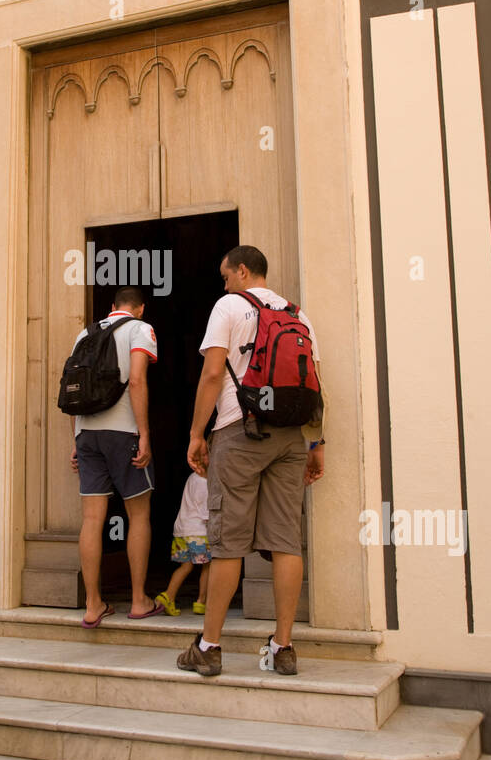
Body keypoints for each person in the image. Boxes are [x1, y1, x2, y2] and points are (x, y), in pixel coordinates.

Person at [177, 246, 324, 678]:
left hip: (239, 431)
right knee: (285, 541)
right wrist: (317, 445)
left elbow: (211, 374)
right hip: (290, 437)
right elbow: (316, 383)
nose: (223, 284)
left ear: (242, 271)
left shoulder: (228, 305)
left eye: (226, 276)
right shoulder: (299, 315)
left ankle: (209, 647)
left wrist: (195, 433)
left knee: (227, 541)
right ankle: (283, 648)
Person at [69, 286, 163, 626]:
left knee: (92, 519)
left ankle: (93, 604)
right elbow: (137, 381)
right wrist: (145, 434)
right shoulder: (141, 329)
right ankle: (139, 600)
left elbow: (74, 385)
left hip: (87, 433)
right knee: (137, 514)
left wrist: (76, 440)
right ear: (139, 308)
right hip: (123, 432)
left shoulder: (86, 333)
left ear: (111, 307)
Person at [155, 470, 211, 616]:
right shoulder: (205, 482)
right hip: (199, 531)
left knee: (185, 567)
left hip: (182, 529)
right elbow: (206, 513)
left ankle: (169, 596)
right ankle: (201, 601)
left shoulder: (192, 476)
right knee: (208, 566)